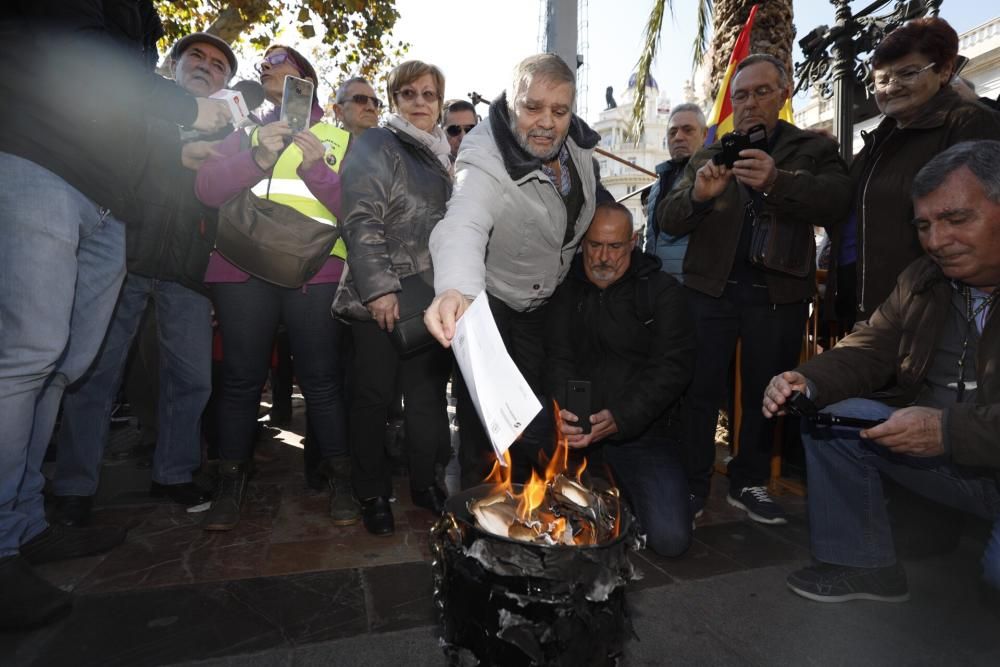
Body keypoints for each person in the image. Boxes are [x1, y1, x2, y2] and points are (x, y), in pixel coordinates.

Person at [763, 140, 1000, 603]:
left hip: (965, 444)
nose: (936, 241)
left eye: (956, 219)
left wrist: (948, 430)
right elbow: (871, 345)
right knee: (838, 417)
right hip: (955, 461)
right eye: (925, 226)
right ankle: (864, 565)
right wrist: (806, 380)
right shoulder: (923, 279)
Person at [51, 32, 238, 527]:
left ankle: (174, 473)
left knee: (192, 380)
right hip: (123, 259)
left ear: (226, 81)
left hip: (190, 275)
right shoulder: (137, 110)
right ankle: (73, 487)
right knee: (94, 374)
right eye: (195, 56)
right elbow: (104, 166)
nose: (205, 66)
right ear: (173, 66)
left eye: (218, 64)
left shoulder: (231, 133)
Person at [660, 53, 851, 525]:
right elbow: (669, 217)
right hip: (709, 291)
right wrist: (700, 196)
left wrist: (777, 181)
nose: (749, 104)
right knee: (698, 392)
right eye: (740, 95)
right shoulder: (709, 153)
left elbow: (837, 202)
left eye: (761, 92)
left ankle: (749, 483)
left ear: (783, 95)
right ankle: (693, 485)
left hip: (778, 295)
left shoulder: (812, 149)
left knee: (766, 395)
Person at [424, 53, 610, 489]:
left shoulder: (579, 145)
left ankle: (528, 518)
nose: (547, 122)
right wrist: (455, 288)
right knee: (485, 429)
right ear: (512, 106)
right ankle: (474, 526)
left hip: (551, 301)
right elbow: (463, 220)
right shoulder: (484, 150)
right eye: (533, 108)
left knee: (538, 422)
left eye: (560, 111)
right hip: (492, 304)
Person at [195, 45, 355, 531]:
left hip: (316, 271)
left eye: (282, 61)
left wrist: (316, 170)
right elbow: (206, 190)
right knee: (241, 380)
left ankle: (341, 480)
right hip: (242, 268)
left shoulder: (338, 136)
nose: (269, 66)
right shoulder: (241, 130)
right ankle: (230, 482)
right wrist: (258, 155)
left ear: (305, 78)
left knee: (322, 380)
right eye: (264, 64)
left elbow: (356, 208)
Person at [332, 60, 454, 536]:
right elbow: (361, 218)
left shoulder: (442, 157)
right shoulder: (378, 143)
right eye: (409, 94)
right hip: (382, 298)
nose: (420, 103)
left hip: (430, 299)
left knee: (425, 400)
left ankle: (424, 485)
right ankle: (372, 493)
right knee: (373, 399)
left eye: (429, 94)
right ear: (395, 100)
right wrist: (380, 287)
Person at [825, 17, 1000, 333]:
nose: (892, 87)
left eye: (908, 73)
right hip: (871, 306)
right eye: (881, 79)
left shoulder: (970, 123)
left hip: (935, 311)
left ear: (944, 71)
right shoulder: (878, 141)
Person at [544, 202, 695, 555]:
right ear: (583, 244)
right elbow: (555, 358)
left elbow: (672, 369)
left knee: (671, 541)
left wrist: (622, 418)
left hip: (642, 433)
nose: (603, 257)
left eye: (614, 247)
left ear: (633, 243)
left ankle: (621, 498)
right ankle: (606, 499)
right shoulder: (566, 289)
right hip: (576, 433)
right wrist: (563, 411)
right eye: (595, 245)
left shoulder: (662, 292)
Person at [643, 103, 708, 282]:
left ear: (704, 134)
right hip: (658, 290)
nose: (678, 137)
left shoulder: (713, 177)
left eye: (688, 130)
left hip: (696, 292)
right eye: (672, 132)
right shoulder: (658, 184)